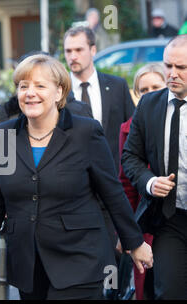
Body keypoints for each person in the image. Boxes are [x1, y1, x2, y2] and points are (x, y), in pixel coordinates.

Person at [0, 54, 153, 300]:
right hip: (28, 265)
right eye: (23, 86)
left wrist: (134, 242)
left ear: (58, 92)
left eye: (40, 86)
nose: (30, 93)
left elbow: (112, 193)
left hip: (80, 260)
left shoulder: (85, 132)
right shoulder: (5, 136)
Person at [122, 34, 187, 299]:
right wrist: (150, 182)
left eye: (181, 68)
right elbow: (130, 157)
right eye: (167, 66)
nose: (172, 74)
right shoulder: (149, 105)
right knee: (168, 292)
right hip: (170, 218)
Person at [64, 26, 135, 263]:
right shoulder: (58, 94)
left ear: (93, 50)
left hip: (114, 189)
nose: (73, 56)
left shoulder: (116, 86)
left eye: (78, 49)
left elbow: (132, 136)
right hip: (75, 195)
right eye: (68, 51)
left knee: (115, 264)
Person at [117, 63, 166, 300]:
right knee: (147, 289)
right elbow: (125, 184)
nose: (150, 94)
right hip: (144, 225)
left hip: (173, 222)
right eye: (143, 89)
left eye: (156, 87)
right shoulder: (127, 130)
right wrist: (126, 232)